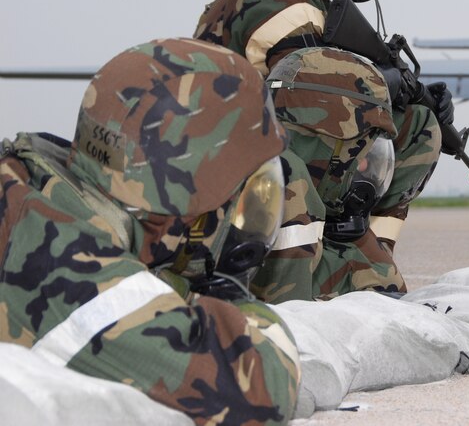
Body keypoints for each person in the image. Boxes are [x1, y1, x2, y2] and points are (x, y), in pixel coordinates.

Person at [194, 0, 453, 297]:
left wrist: (405, 96)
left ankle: (355, 253)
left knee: (416, 125)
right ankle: (316, 274)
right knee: (393, 129)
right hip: (234, 195)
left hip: (248, 175)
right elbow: (314, 103)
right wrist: (384, 84)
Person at [0, 38, 300, 425]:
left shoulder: (37, 188)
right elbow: (255, 392)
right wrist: (232, 296)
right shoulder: (64, 261)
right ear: (193, 196)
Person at [250, 46, 403, 301]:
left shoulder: (261, 160)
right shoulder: (286, 179)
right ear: (323, 137)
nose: (363, 166)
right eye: (358, 151)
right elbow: (291, 317)